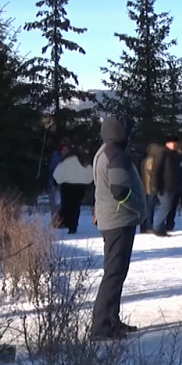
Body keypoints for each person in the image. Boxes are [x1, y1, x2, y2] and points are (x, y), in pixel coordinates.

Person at [91, 116, 147, 341]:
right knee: (114, 274)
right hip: (119, 220)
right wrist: (139, 210)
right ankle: (102, 326)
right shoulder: (117, 155)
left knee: (116, 273)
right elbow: (119, 190)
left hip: (112, 219)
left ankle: (111, 319)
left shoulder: (103, 151)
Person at [53, 147, 94, 234]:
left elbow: (57, 175)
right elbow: (90, 177)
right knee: (76, 206)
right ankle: (73, 225)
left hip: (67, 186)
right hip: (80, 187)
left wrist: (58, 182)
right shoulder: (83, 162)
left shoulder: (64, 162)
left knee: (66, 205)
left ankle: (64, 223)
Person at [150, 136, 182, 237]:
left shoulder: (171, 154)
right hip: (164, 185)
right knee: (165, 206)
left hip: (170, 185)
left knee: (165, 206)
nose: (174, 144)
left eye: (175, 142)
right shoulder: (163, 153)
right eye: (171, 142)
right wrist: (155, 185)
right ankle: (157, 227)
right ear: (166, 144)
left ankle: (160, 227)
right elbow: (156, 170)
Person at [140, 143, 164, 234]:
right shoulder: (151, 161)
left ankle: (144, 226)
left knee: (147, 208)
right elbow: (153, 173)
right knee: (150, 208)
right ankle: (148, 226)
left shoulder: (144, 160)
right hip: (150, 187)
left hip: (145, 187)